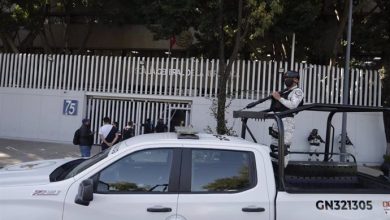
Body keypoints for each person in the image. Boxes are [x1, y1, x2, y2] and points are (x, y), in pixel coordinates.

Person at [269, 70, 304, 165]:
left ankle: (282, 171)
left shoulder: (297, 91)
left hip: (287, 120)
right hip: (278, 119)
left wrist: (279, 98)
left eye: (289, 78)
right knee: (275, 145)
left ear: (296, 80)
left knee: (283, 146)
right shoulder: (284, 92)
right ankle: (274, 168)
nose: (286, 80)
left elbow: (293, 105)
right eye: (285, 78)